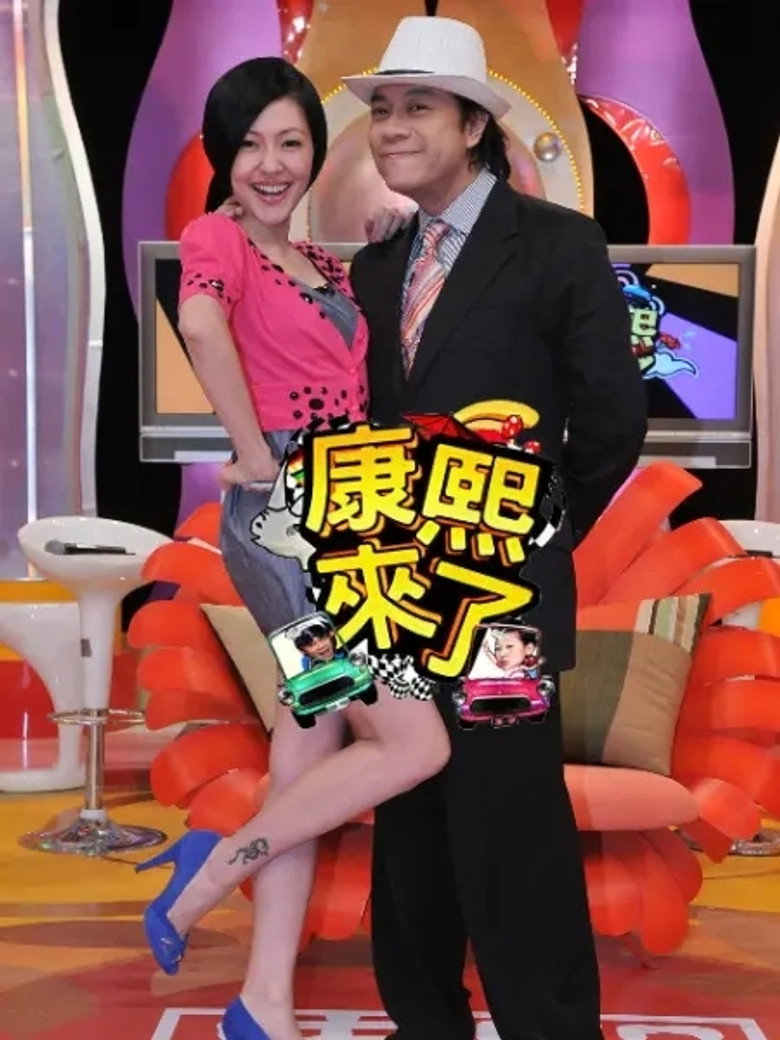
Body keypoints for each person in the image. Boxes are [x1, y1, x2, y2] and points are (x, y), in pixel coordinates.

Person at [343, 16, 648, 1040]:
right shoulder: (379, 263)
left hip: (503, 601)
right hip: (394, 594)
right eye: (383, 109)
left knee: (513, 826)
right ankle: (425, 1020)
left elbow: (610, 421)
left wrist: (530, 536)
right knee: (410, 821)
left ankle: (548, 1025)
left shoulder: (558, 244)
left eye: (418, 107)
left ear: (474, 125)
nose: (392, 126)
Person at [137, 57, 450, 1040]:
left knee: (307, 758)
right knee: (416, 741)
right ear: (221, 158)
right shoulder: (217, 237)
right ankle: (211, 869)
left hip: (348, 512)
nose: (270, 164)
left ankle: (262, 1001)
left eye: (290, 142)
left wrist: (392, 236)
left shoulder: (317, 259)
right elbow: (199, 320)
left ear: (316, 151)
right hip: (286, 529)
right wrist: (248, 450)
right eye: (249, 145)